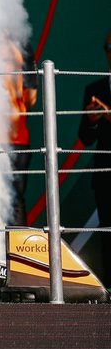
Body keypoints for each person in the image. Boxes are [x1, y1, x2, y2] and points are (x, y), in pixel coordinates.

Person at [77, 29, 111, 277]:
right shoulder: (95, 87)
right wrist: (91, 119)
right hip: (104, 174)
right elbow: (85, 137)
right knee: (107, 234)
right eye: (108, 49)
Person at [6, 41, 38, 226]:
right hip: (16, 136)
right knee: (15, 200)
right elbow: (31, 98)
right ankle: (13, 253)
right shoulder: (21, 44)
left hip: (7, 137)